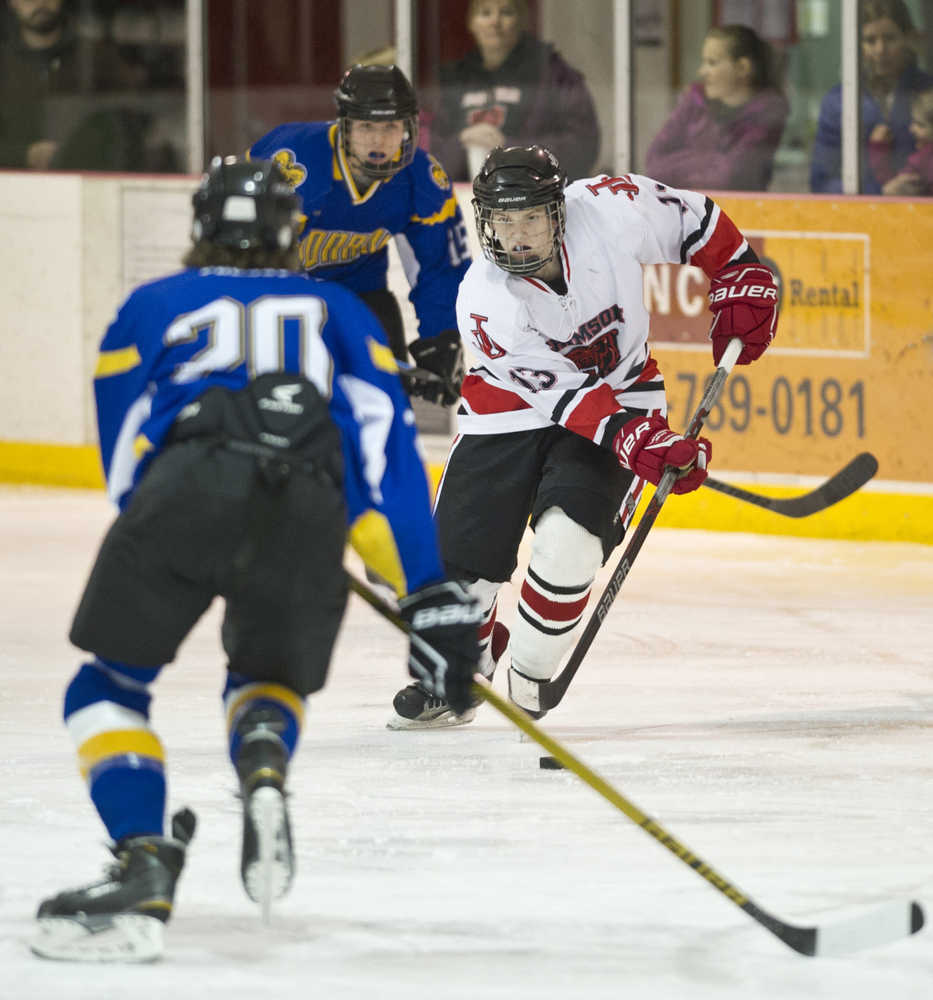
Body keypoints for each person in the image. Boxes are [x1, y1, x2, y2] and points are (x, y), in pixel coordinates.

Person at [30, 156, 482, 963]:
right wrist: (427, 589)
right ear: (290, 233)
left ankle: (141, 859)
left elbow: (125, 455)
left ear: (202, 226)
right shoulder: (341, 308)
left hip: (186, 488)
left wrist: (180, 522)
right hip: (307, 500)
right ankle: (265, 765)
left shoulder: (151, 303)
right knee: (266, 676)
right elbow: (388, 457)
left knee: (108, 685)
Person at [389, 146, 778, 728]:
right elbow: (570, 401)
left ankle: (524, 675)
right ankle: (470, 663)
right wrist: (641, 442)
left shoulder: (612, 209)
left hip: (622, 393)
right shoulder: (485, 298)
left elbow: (694, 220)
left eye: (530, 219)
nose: (516, 237)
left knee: (568, 546)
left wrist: (740, 269)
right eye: (503, 221)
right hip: (510, 412)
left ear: (558, 212)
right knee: (454, 587)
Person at [248, 63, 471, 407]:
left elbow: (439, 269)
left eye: (391, 126)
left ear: (409, 127)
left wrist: (440, 339)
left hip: (360, 296)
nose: (379, 140)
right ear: (346, 126)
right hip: (280, 297)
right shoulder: (295, 162)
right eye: (367, 126)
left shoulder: (422, 178)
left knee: (388, 408)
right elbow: (249, 258)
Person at [427, 0, 600, 183]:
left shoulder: (552, 73)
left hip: (535, 199)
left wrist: (513, 149)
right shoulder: (453, 79)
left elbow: (583, 145)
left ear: (523, 20)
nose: (495, 22)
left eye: (506, 12)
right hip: (466, 199)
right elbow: (431, 153)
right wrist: (461, 141)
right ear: (471, 23)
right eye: (485, 13)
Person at [644, 24, 787, 192]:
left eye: (712, 63)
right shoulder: (693, 103)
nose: (702, 71)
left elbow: (727, 178)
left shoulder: (767, 115)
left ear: (742, 68)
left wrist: (685, 158)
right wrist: (709, 161)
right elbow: (653, 165)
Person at [810, 0, 933, 194]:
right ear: (856, 44)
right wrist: (879, 193)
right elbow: (821, 182)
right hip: (860, 217)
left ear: (908, 39)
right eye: (870, 40)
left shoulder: (929, 91)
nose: (880, 50)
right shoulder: (839, 102)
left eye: (890, 38)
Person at [871, 87, 933, 195]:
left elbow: (892, 187)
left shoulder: (922, 160)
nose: (912, 129)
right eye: (913, 121)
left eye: (920, 125)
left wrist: (878, 147)